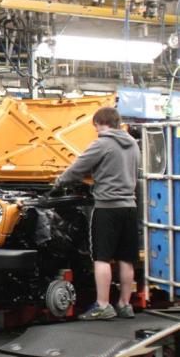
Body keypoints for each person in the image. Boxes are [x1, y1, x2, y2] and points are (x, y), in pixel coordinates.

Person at [54, 107, 140, 321]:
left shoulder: (101, 143)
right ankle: (124, 304)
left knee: (101, 257)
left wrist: (58, 182)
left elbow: (77, 168)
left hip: (107, 208)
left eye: (95, 127)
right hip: (129, 206)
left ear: (99, 124)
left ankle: (103, 305)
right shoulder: (133, 145)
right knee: (126, 259)